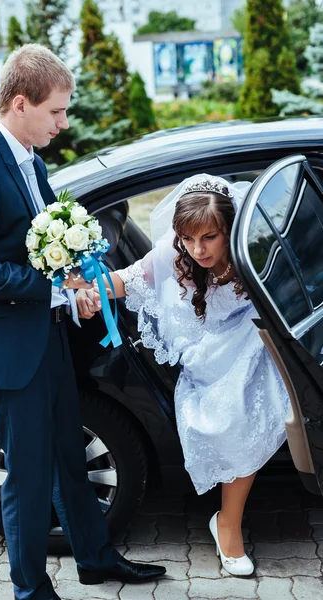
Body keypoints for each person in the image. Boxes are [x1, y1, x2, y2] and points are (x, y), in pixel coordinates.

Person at [0, 44, 165, 600]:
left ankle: (94, 559)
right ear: (20, 103)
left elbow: (41, 251)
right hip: (7, 349)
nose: (64, 123)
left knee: (69, 451)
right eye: (56, 112)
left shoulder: (31, 161)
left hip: (46, 338)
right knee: (27, 474)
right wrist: (53, 291)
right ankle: (30, 589)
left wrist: (78, 288)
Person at [77, 174, 290, 577]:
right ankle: (225, 523)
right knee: (234, 412)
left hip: (249, 344)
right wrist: (80, 287)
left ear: (230, 228)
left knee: (249, 401)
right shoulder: (169, 257)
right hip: (206, 357)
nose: (197, 250)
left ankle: (227, 520)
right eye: (189, 240)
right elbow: (123, 281)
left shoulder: (253, 252)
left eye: (209, 237)